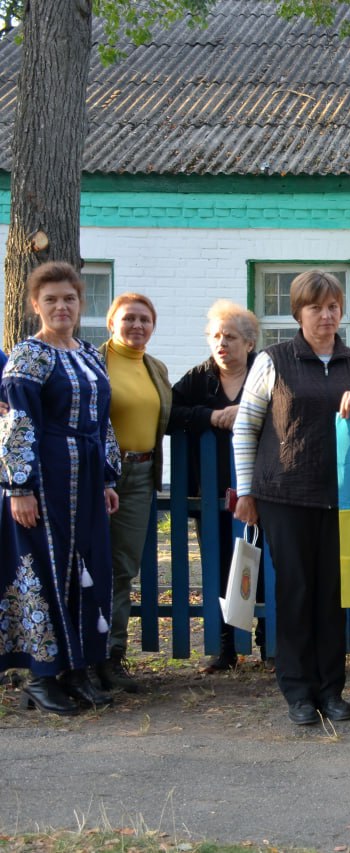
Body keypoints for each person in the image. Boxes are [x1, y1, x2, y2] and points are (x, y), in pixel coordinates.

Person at [232, 269, 350, 725]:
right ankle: (298, 692)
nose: (326, 315)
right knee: (296, 592)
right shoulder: (274, 360)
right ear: (298, 311)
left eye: (334, 306)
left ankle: (331, 689)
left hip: (341, 497)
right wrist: (247, 490)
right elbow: (246, 426)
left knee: (331, 595)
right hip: (285, 496)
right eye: (316, 307)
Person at [0, 262, 119, 715]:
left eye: (68, 298)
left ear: (80, 302)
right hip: (45, 477)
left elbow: (102, 419)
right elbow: (18, 423)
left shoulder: (89, 354)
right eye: (50, 299)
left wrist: (108, 476)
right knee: (44, 568)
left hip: (86, 479)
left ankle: (78, 668)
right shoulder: (28, 356)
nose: (61, 306)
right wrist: (19, 487)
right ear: (35, 305)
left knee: (87, 566)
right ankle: (41, 675)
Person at [169, 300, 267, 673]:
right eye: (215, 336)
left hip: (259, 488)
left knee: (264, 562)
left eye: (230, 336)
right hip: (210, 492)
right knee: (220, 565)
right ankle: (225, 647)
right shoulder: (198, 378)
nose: (221, 343)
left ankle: (266, 642)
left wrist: (247, 411)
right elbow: (169, 416)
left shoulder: (263, 371)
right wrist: (210, 415)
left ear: (249, 341)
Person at [99, 292, 171, 693]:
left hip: (141, 475)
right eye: (129, 318)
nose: (137, 326)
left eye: (145, 319)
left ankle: (112, 656)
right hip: (96, 477)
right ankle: (79, 657)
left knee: (122, 568)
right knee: (87, 564)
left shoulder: (155, 368)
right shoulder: (93, 362)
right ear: (112, 323)